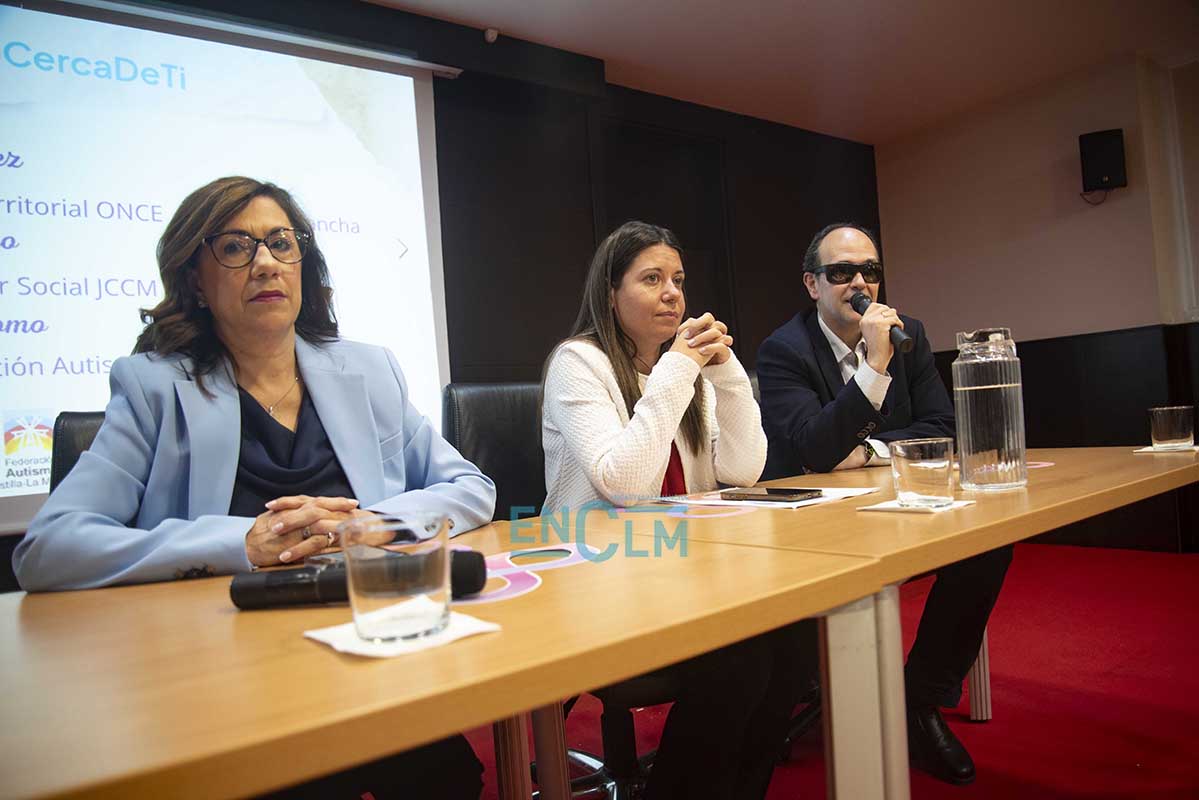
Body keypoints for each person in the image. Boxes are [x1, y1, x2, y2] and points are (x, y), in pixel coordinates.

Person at [13, 176, 495, 799]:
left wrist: (371, 523)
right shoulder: (152, 387)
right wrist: (243, 542)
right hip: (222, 675)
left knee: (449, 780)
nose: (265, 262)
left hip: (371, 650)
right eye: (236, 247)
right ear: (196, 281)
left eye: (280, 243)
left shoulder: (368, 370)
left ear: (302, 266)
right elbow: (49, 548)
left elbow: (470, 487)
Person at [541, 220, 815, 799]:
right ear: (610, 293)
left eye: (679, 280)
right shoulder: (578, 362)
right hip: (598, 575)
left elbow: (743, 469)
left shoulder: (682, 372)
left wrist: (728, 376)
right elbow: (624, 484)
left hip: (681, 573)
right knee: (740, 659)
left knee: (796, 638)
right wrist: (680, 369)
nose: (672, 294)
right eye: (652, 279)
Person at [756, 222, 1013, 786]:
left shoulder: (908, 333)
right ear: (812, 284)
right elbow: (814, 450)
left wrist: (869, 451)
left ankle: (919, 700)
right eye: (841, 272)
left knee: (988, 542)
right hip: (811, 527)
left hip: (890, 506)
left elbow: (943, 427)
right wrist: (874, 367)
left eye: (869, 270)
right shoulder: (784, 350)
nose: (859, 283)